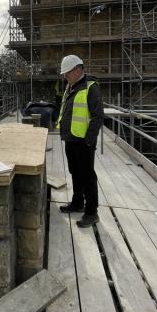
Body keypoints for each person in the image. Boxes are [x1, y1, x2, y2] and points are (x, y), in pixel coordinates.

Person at [56, 54, 104, 227]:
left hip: (83, 142)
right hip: (71, 139)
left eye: (67, 73)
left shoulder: (91, 87)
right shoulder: (71, 87)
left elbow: (98, 117)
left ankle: (92, 212)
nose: (65, 76)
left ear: (77, 70)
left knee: (88, 176)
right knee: (75, 172)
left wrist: (89, 141)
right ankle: (78, 203)